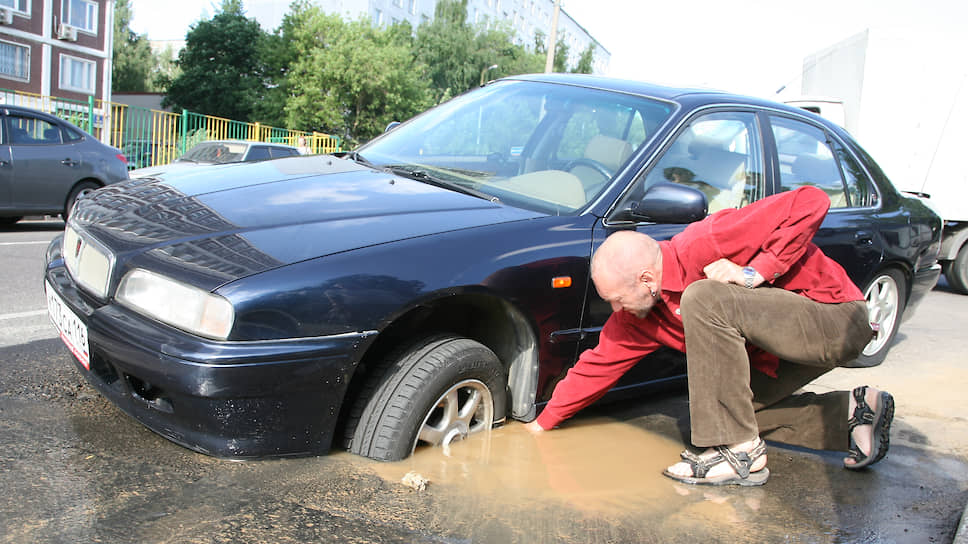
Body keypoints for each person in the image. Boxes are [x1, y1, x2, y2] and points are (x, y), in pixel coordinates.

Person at [525, 185, 894, 486]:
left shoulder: (707, 241)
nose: (615, 311)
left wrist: (756, 271)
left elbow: (812, 201)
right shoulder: (638, 317)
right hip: (776, 353)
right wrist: (541, 426)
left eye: (617, 300)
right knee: (734, 413)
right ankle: (855, 413)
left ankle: (739, 454)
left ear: (647, 280)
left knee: (700, 297)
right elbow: (596, 367)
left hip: (835, 319)